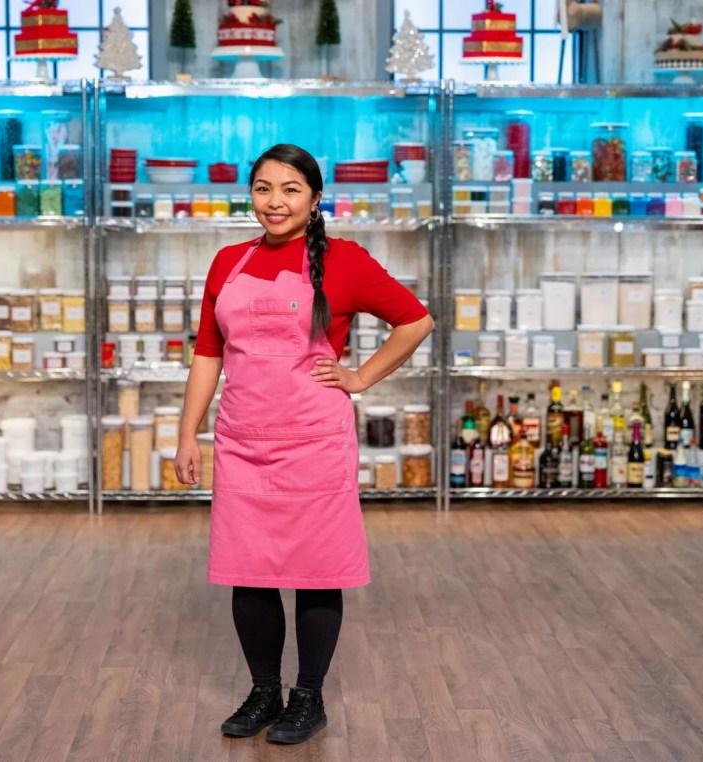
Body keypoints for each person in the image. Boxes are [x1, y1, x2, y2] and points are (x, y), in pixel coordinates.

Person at [174, 144, 433, 745]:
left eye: (290, 189)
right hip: (242, 438)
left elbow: (416, 320)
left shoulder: (343, 262)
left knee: (316, 572)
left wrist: (362, 377)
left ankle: (308, 697)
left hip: (313, 439)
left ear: (315, 201)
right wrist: (188, 433)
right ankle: (265, 690)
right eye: (263, 188)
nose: (275, 202)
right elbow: (208, 353)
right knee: (249, 569)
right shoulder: (226, 262)